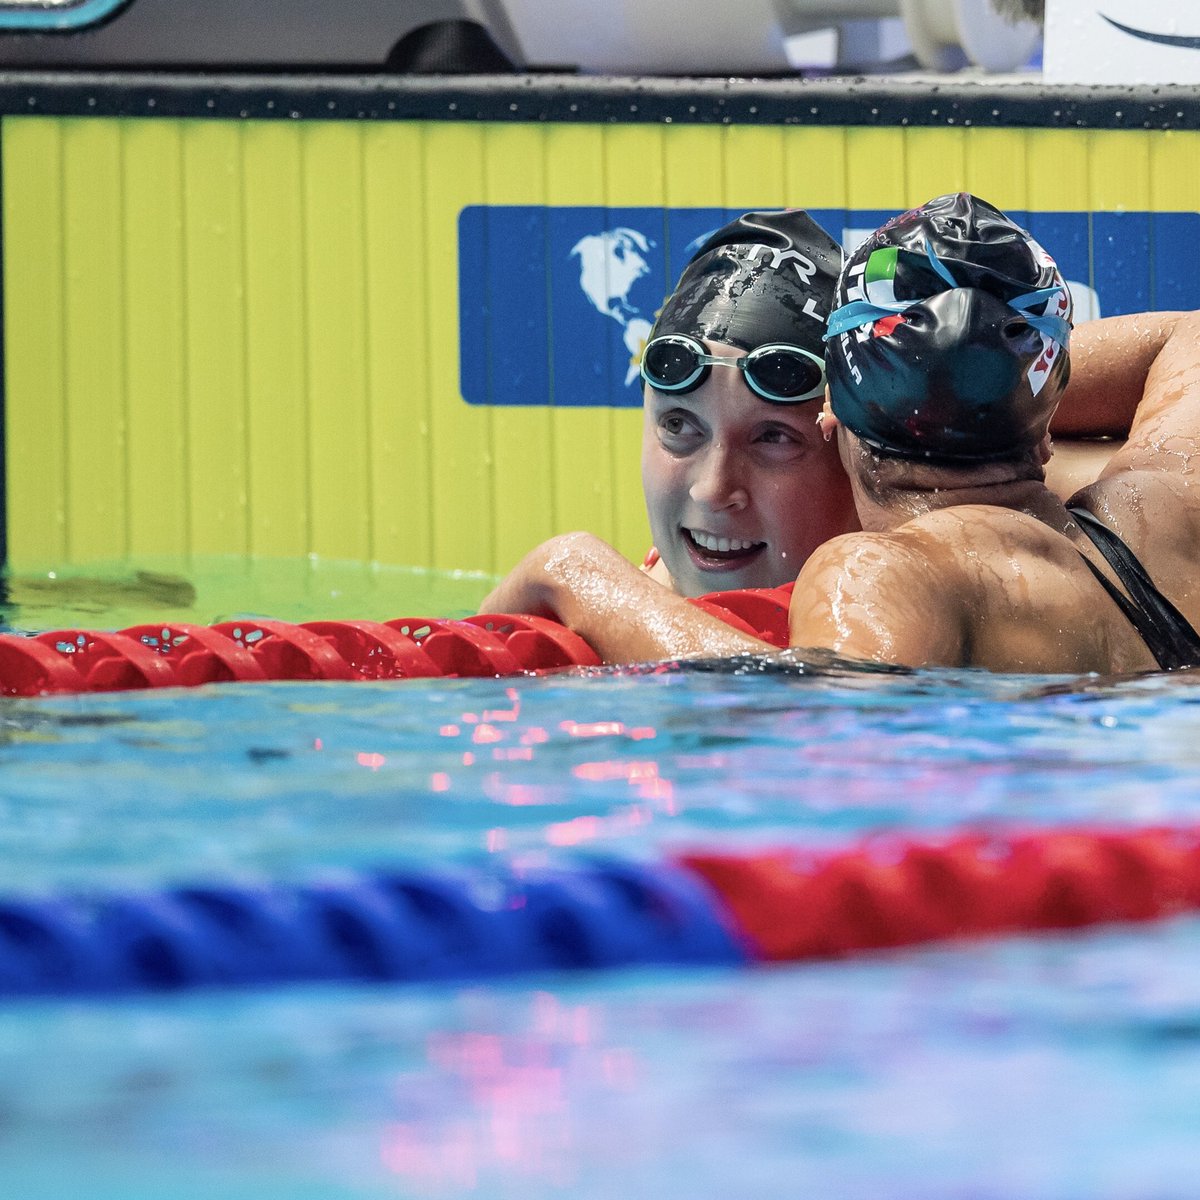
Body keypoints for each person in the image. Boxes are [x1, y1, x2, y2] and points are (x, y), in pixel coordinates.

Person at [483, 194, 1200, 674]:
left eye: (771, 439)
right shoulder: (1158, 508)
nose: (715, 487)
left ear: (832, 421)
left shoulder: (878, 575)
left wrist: (578, 576)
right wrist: (995, 382)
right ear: (1049, 404)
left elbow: (822, 748)